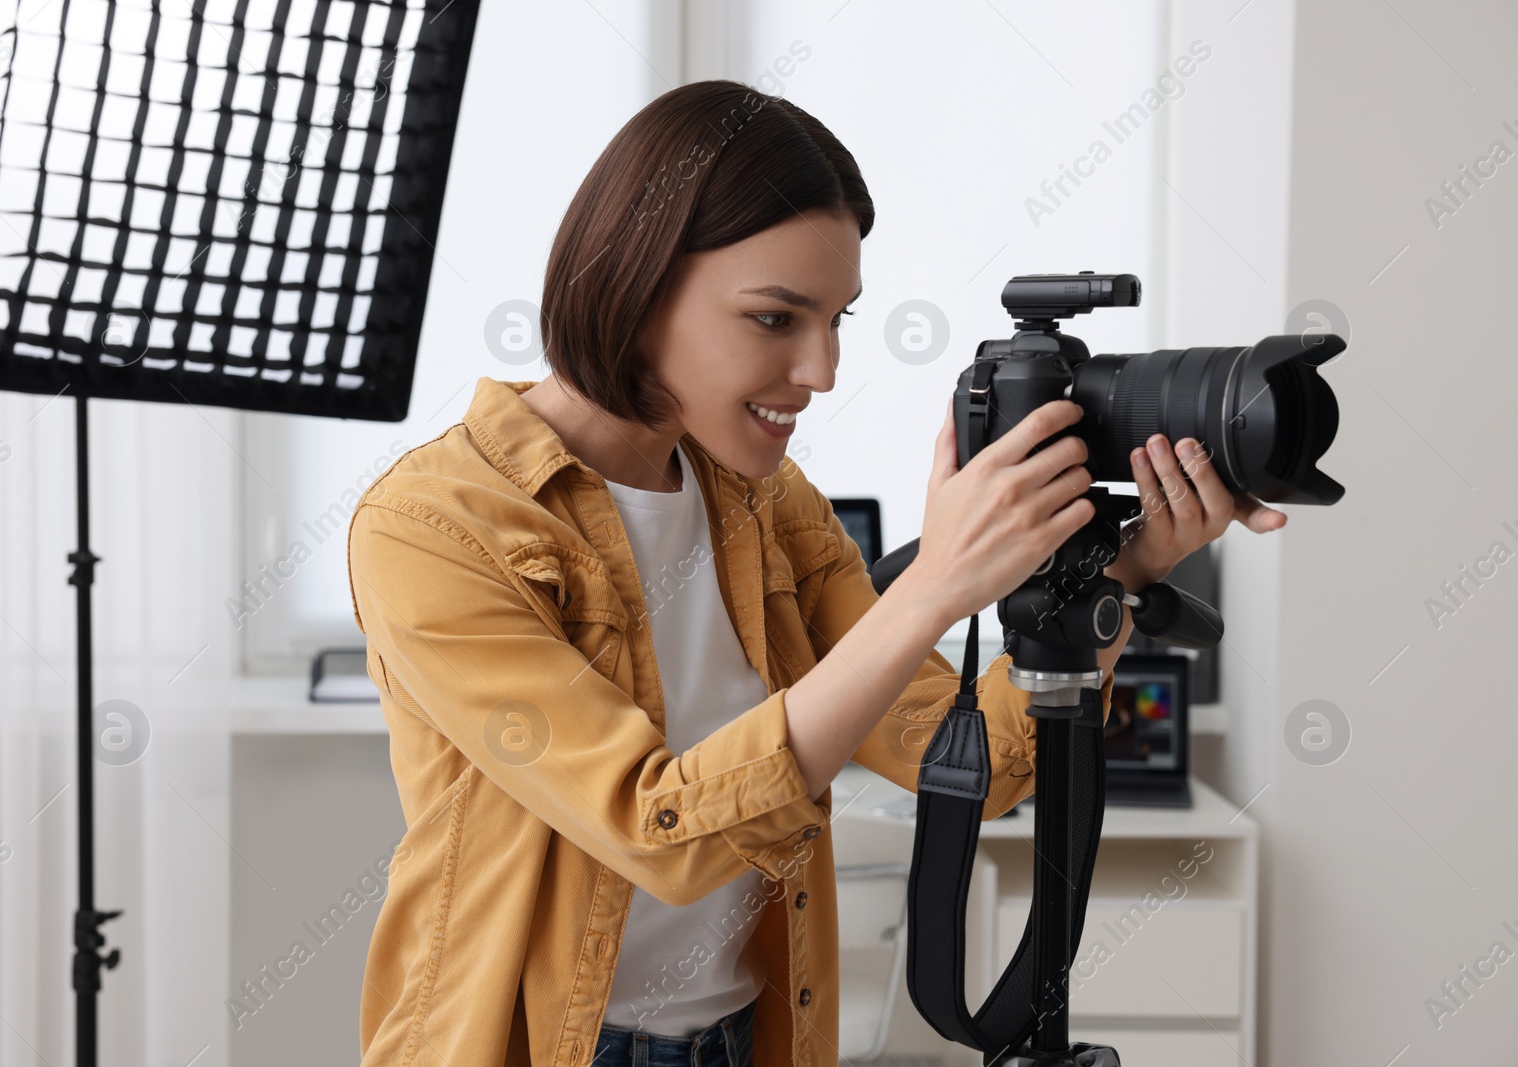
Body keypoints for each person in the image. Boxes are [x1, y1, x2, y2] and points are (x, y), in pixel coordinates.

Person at [345, 79, 1285, 1067]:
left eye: (836, 317)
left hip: (753, 1037)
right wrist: (932, 589)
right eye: (774, 318)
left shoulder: (768, 503)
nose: (823, 368)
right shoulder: (433, 527)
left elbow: (979, 761)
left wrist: (1126, 570)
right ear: (636, 282)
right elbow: (659, 827)